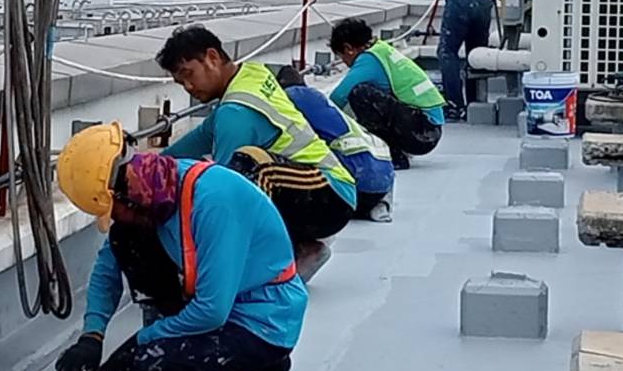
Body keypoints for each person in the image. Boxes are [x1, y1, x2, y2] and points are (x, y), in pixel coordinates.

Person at [53, 122, 306, 371]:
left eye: (113, 210)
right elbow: (107, 269)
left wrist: (143, 339)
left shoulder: (214, 203)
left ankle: (261, 369)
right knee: (125, 238)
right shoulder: (154, 191)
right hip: (216, 308)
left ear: (127, 193)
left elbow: (212, 310)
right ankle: (168, 336)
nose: (114, 218)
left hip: (261, 322)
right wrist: (92, 337)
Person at [155, 25, 356, 277]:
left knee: (242, 173)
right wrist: (153, 164)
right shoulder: (251, 74)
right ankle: (300, 248)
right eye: (180, 82)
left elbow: (222, 192)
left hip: (330, 197)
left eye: (189, 74)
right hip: (328, 189)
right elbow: (202, 136)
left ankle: (258, 270)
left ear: (212, 57)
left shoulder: (235, 113)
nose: (188, 86)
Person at [276, 65, 394, 221]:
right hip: (381, 183)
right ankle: (379, 205)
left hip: (351, 190)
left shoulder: (289, 99)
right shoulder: (319, 100)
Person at [327, 18, 444, 169]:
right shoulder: (381, 50)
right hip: (428, 128)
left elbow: (337, 98)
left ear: (348, 48)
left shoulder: (369, 60)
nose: (344, 62)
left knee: (360, 93)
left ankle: (392, 156)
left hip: (421, 133)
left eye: (341, 56)